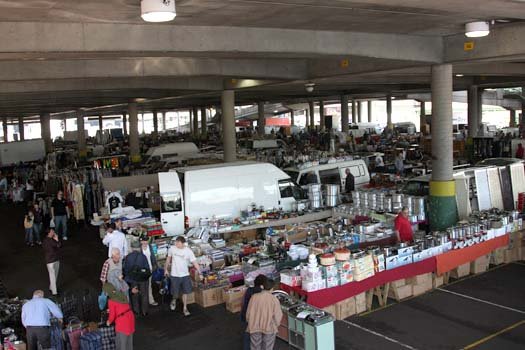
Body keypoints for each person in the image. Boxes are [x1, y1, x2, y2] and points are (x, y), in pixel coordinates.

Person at [164, 236, 202, 316]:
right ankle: (174, 300)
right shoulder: (172, 248)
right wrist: (166, 269)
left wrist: (200, 272)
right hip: (174, 275)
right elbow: (168, 259)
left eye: (178, 243)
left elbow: (194, 262)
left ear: (183, 243)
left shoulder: (188, 251)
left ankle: (185, 308)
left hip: (185, 275)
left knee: (185, 292)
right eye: (176, 242)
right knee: (175, 292)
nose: (176, 244)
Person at [246, 275, 283, 350]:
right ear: (272, 288)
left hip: (254, 326)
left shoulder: (254, 297)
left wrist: (249, 322)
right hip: (269, 327)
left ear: (263, 286)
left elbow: (248, 312)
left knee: (255, 346)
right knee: (267, 346)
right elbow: (278, 315)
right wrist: (276, 325)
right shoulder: (274, 299)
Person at [104, 277, 135, 350]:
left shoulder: (111, 301)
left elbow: (112, 316)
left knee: (122, 344)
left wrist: (108, 322)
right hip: (130, 318)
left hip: (122, 322)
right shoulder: (120, 293)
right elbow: (122, 306)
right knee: (129, 343)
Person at [123, 240, 150, 317]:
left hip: (133, 279)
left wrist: (128, 279)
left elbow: (126, 269)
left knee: (135, 294)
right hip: (143, 279)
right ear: (139, 248)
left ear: (132, 248)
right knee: (144, 294)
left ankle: (136, 310)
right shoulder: (143, 256)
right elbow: (147, 268)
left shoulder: (128, 257)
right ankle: (144, 311)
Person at [240, 276, 263, 350]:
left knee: (247, 334)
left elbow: (243, 302)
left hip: (245, 315)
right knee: (254, 337)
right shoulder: (260, 293)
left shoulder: (249, 290)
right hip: (253, 317)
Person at [140, 236, 158, 306]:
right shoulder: (139, 249)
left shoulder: (149, 247)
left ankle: (151, 300)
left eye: (146, 241)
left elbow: (152, 257)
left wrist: (154, 266)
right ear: (141, 242)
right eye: (143, 241)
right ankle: (144, 302)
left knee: (149, 285)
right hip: (142, 270)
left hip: (149, 269)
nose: (145, 242)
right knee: (142, 286)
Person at [43, 229, 61, 296]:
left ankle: (52, 287)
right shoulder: (51, 240)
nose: (54, 232)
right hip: (52, 260)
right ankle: (54, 292)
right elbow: (58, 245)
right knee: (53, 276)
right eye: (52, 231)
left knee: (54, 275)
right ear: (49, 233)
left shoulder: (45, 240)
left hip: (51, 260)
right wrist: (57, 239)